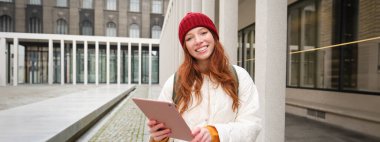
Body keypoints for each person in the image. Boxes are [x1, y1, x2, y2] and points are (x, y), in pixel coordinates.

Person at [147, 12, 261, 142]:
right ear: (186, 47)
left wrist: (215, 133)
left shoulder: (240, 77)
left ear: (213, 35)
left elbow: (252, 126)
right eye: (189, 38)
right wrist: (158, 137)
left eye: (203, 33)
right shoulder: (174, 83)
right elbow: (165, 132)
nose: (198, 41)